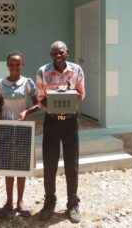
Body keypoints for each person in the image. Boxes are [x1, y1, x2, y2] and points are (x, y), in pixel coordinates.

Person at [36, 41, 85, 223]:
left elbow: (81, 94)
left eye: (61, 52)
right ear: (50, 54)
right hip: (52, 122)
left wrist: (66, 96)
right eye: (54, 53)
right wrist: (56, 102)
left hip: (70, 122)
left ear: (67, 52)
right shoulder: (43, 71)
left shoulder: (77, 70)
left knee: (72, 164)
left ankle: (72, 203)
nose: (58, 55)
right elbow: (40, 98)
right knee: (50, 163)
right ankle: (49, 201)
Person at [0, 50, 39, 218]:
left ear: (22, 65)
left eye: (17, 64)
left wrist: (26, 113)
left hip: (23, 129)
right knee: (7, 166)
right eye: (11, 63)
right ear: (7, 65)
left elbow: (38, 104)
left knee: (21, 166)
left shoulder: (28, 83)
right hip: (5, 128)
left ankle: (20, 201)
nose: (14, 66)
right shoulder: (0, 84)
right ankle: (8, 201)